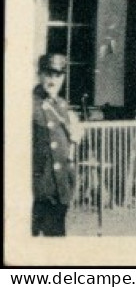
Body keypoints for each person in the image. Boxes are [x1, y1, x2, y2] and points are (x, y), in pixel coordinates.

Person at [33, 52, 81, 236]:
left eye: (58, 75)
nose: (53, 80)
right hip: (36, 191)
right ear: (39, 75)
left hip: (59, 190)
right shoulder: (26, 105)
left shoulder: (62, 105)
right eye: (48, 74)